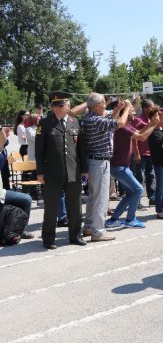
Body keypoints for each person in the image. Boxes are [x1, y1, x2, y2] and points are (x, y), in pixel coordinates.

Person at [35, 91, 88, 249]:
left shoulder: (75, 122)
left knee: (75, 206)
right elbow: (39, 151)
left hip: (73, 171)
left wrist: (84, 170)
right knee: (51, 208)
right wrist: (40, 172)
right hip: (52, 173)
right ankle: (48, 239)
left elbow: (81, 149)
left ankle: (75, 236)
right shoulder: (44, 124)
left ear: (68, 106)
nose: (56, 108)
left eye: (60, 105)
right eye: (54, 105)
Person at [80, 93, 131, 242]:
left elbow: (108, 120)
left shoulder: (90, 118)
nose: (105, 105)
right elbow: (119, 123)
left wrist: (117, 110)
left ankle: (89, 227)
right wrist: (126, 108)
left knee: (93, 197)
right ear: (96, 106)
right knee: (101, 199)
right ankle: (98, 231)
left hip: (95, 162)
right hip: (99, 162)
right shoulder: (95, 120)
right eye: (103, 103)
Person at [107, 105, 160, 229]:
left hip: (120, 166)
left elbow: (140, 133)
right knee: (138, 190)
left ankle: (113, 219)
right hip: (119, 167)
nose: (135, 112)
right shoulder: (123, 128)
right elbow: (142, 137)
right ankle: (130, 219)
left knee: (131, 192)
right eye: (132, 111)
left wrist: (152, 123)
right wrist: (153, 124)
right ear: (124, 114)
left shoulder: (126, 126)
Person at [0, 126, 34, 240]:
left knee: (23, 199)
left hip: (3, 191)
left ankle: (18, 228)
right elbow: (3, 140)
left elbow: (4, 141)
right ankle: (21, 230)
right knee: (26, 199)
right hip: (1, 193)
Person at [131, 99, 156, 206]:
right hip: (140, 154)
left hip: (150, 153)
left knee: (151, 176)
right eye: (151, 107)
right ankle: (138, 200)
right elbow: (134, 138)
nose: (153, 109)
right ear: (145, 108)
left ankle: (152, 197)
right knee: (139, 177)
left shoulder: (152, 119)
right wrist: (136, 153)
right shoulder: (138, 120)